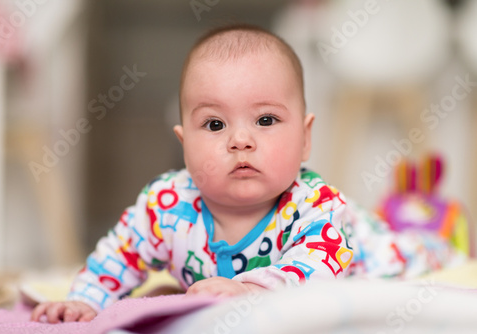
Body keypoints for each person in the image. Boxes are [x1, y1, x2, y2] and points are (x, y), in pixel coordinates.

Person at [31, 24, 461, 324]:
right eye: (215, 125)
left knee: (418, 254)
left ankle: (437, 235)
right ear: (184, 144)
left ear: (305, 138)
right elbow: (116, 256)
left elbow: (316, 268)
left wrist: (255, 289)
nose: (240, 141)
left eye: (266, 120)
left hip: (365, 251)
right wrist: (84, 300)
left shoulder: (316, 206)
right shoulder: (166, 204)